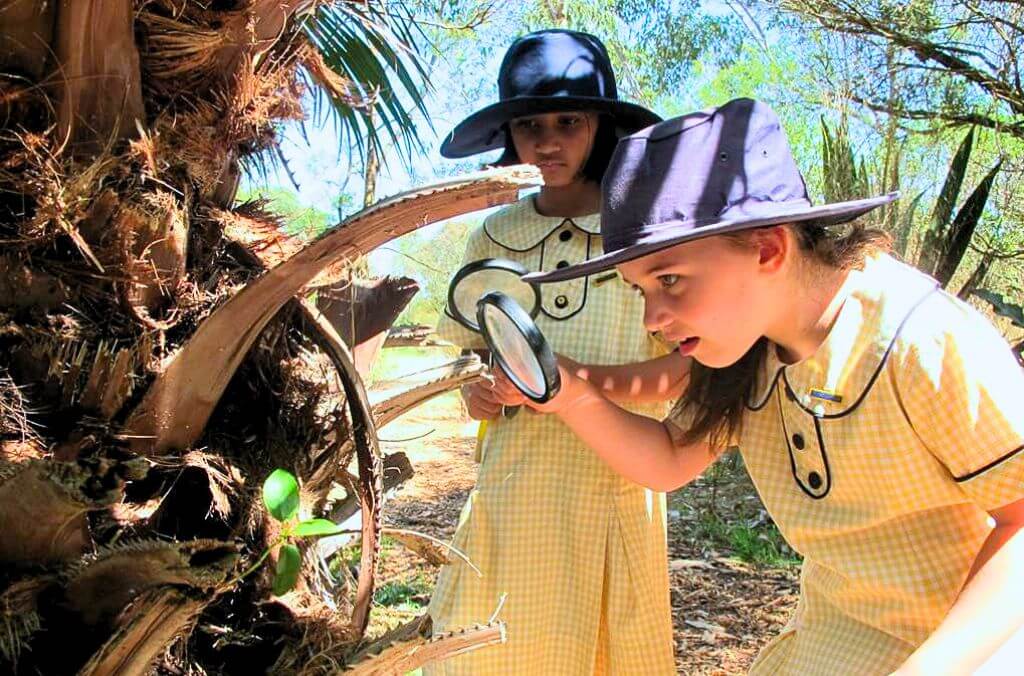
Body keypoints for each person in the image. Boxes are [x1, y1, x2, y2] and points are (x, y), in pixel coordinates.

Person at [495, 97, 1024, 675]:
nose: (652, 318)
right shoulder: (749, 351)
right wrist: (569, 394)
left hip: (974, 644)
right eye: (640, 290)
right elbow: (670, 457)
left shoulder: (919, 340)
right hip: (835, 642)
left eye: (669, 279)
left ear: (769, 247)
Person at [426, 29, 688, 674]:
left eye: (569, 120)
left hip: (614, 486)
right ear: (507, 135)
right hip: (513, 490)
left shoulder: (647, 230)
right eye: (529, 124)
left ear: (600, 125)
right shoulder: (495, 232)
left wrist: (577, 386)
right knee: (495, 652)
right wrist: (478, 390)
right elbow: (470, 356)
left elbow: (687, 368)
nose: (548, 141)